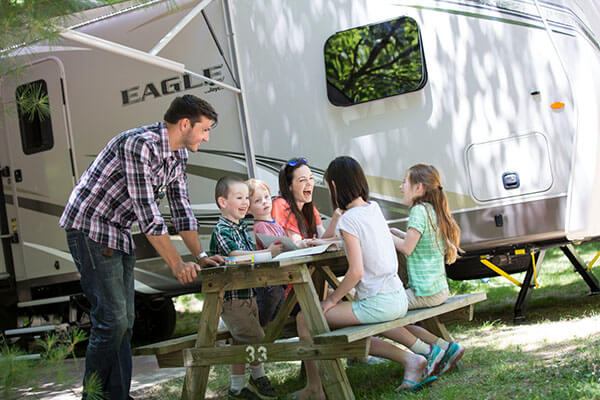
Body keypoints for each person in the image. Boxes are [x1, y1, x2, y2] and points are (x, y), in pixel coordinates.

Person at [59, 95, 225, 400]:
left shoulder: (177, 155)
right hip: (90, 229)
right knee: (111, 320)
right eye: (204, 129)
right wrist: (177, 264)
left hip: (118, 231)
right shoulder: (140, 145)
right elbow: (148, 213)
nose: (207, 137)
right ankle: (93, 397)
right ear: (184, 124)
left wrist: (199, 256)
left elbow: (181, 209)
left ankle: (118, 395)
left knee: (126, 323)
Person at [289, 156, 441, 400]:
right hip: (397, 297)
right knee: (335, 319)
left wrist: (332, 301)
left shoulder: (348, 219)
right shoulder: (373, 208)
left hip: (378, 303)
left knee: (306, 318)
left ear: (335, 187)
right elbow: (366, 242)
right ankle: (412, 357)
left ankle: (316, 389)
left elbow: (356, 272)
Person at [210, 176, 283, 400]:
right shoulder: (222, 230)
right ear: (223, 202)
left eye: (246, 198)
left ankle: (238, 387)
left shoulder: (242, 227)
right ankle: (256, 378)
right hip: (231, 299)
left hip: (249, 295)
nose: (245, 203)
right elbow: (234, 255)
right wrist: (266, 253)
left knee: (241, 341)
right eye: (239, 198)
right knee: (254, 337)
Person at [390, 163, 465, 375]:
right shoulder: (431, 210)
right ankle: (445, 347)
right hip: (437, 289)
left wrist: (384, 234)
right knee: (390, 315)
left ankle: (431, 351)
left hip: (425, 292)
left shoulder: (417, 211)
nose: (401, 187)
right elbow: (419, 244)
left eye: (405, 182)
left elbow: (407, 248)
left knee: (384, 313)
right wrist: (396, 232)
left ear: (418, 188)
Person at [246, 178, 288, 327]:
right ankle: (255, 333)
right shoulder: (261, 226)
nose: (265, 202)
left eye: (266, 197)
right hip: (267, 281)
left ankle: (267, 337)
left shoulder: (274, 223)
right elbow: (273, 246)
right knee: (265, 312)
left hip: (278, 279)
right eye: (258, 201)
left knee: (277, 309)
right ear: (249, 209)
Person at [272, 158, 341, 244]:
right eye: (302, 180)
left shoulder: (310, 207)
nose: (309, 183)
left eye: (311, 178)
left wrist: (336, 217)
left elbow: (323, 237)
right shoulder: (280, 204)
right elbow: (296, 242)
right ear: (289, 186)